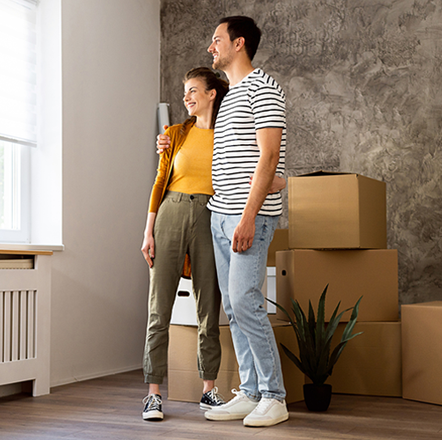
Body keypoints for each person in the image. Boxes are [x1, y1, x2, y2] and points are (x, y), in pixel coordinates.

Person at [156, 16, 289, 427]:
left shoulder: (264, 87)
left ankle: (274, 396)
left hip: (247, 218)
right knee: (232, 305)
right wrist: (170, 139)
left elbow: (268, 157)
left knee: (246, 303)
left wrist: (249, 217)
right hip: (219, 215)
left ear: (239, 43)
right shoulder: (230, 97)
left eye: (217, 41)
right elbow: (228, 153)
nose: (211, 48)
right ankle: (249, 392)